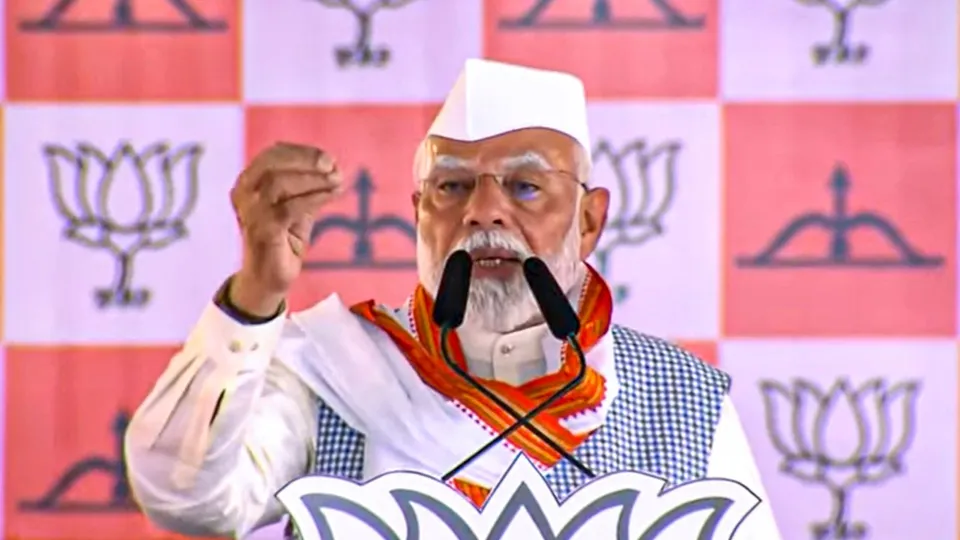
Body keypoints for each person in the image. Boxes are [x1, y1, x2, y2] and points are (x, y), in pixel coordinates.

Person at [125, 58, 782, 539]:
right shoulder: (338, 372)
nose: (483, 212)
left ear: (589, 221)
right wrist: (254, 298)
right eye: (452, 187)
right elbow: (185, 500)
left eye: (525, 186)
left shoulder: (680, 398)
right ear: (418, 213)